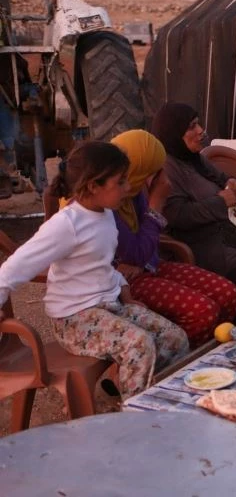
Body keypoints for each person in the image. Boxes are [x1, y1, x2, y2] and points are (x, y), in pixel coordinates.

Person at [0, 142, 189, 399]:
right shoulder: (66, 225)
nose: (128, 188)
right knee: (139, 345)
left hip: (109, 306)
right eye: (120, 182)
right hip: (73, 319)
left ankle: (159, 401)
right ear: (93, 186)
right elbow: (13, 268)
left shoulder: (106, 214)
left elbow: (102, 265)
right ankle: (136, 421)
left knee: (175, 339)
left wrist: (126, 294)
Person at [152, 103, 236, 317]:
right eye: (192, 126)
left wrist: (232, 182)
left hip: (227, 230)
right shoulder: (168, 168)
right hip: (196, 240)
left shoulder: (195, 159)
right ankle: (228, 321)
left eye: (198, 124)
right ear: (174, 131)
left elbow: (221, 177)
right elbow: (178, 216)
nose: (200, 131)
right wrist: (220, 201)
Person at [110, 130, 236, 347]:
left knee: (228, 294)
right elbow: (135, 253)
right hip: (121, 284)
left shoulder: (132, 193)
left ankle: (208, 353)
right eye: (153, 171)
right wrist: (156, 204)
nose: (160, 178)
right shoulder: (109, 203)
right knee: (202, 312)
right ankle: (176, 363)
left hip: (149, 266)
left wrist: (145, 259)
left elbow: (145, 251)